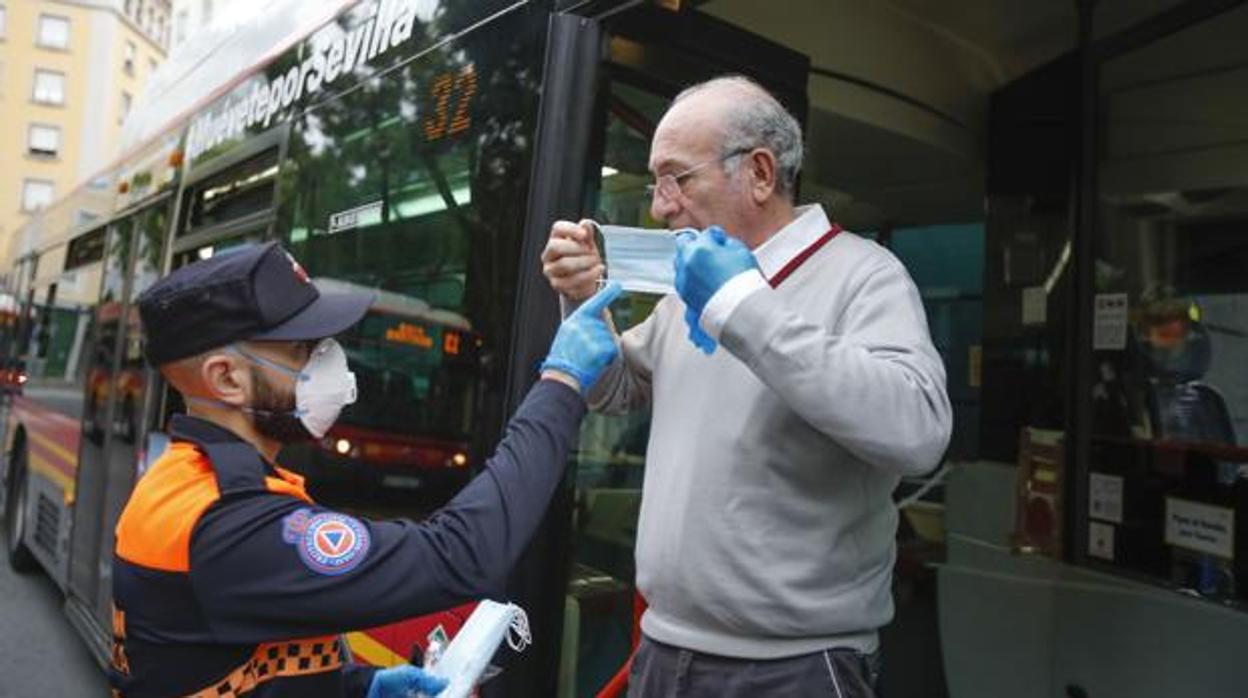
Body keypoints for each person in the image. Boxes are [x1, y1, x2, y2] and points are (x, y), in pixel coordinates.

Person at [542, 76, 952, 696]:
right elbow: (618, 388)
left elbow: (919, 432)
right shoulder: (690, 289)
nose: (660, 206)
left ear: (760, 173)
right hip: (663, 648)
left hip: (795, 668)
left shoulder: (863, 274)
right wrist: (582, 305)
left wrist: (741, 306)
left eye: (677, 179)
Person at [109, 241, 623, 698]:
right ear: (227, 380)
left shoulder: (187, 482)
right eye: (301, 349)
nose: (328, 360)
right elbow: (460, 556)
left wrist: (356, 686)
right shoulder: (227, 523)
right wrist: (562, 384)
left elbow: (232, 661)